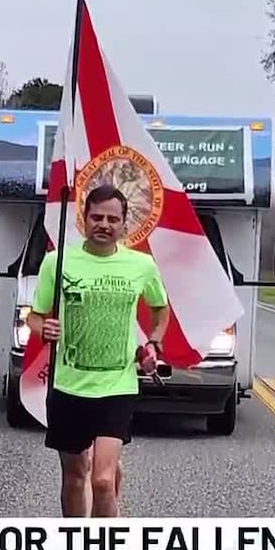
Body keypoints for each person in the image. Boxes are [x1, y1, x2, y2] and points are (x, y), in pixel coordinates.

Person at [26, 183, 170, 518]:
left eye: (112, 219)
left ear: (124, 224)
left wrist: (153, 342)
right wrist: (42, 327)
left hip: (117, 386)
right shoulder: (56, 262)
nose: (104, 225)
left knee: (103, 480)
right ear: (83, 219)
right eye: (96, 217)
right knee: (75, 477)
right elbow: (35, 316)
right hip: (68, 385)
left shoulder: (141, 265)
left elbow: (161, 309)